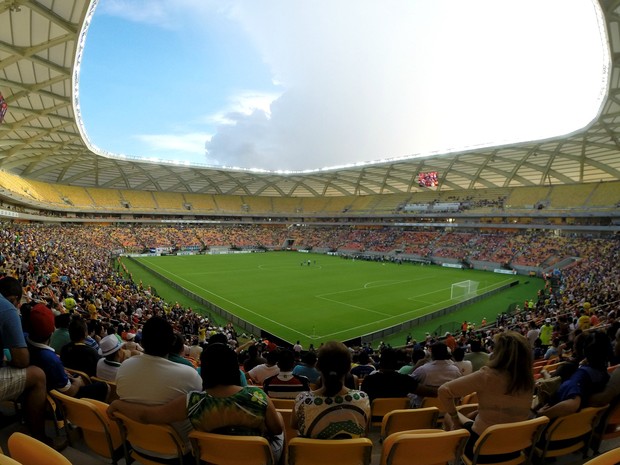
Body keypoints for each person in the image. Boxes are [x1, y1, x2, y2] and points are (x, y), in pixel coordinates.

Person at [108, 343, 284, 462]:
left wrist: (117, 405)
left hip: (211, 459)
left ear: (205, 369)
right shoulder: (257, 395)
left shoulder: (192, 401)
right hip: (254, 459)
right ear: (233, 368)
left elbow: (147, 416)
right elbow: (277, 429)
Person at [439, 331, 535, 462]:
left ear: (499, 353)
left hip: (482, 449)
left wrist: (456, 421)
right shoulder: (529, 379)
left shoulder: (487, 375)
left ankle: (452, 455)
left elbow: (443, 391)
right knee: (472, 415)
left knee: (449, 415)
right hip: (515, 447)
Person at [115, 316, 202, 459]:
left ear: (142, 342)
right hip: (179, 453)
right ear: (172, 343)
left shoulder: (124, 367)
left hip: (136, 445)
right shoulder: (189, 375)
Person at [0, 279, 55, 448]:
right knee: (37, 375)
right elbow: (22, 360)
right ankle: (39, 439)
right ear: (13, 298)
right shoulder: (8, 308)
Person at [292, 341, 370, 438]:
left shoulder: (302, 400)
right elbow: (365, 433)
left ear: (318, 366)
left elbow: (294, 425)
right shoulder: (363, 399)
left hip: (312, 453)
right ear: (349, 368)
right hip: (349, 453)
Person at [361, 347, 435, 402]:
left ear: (380, 363)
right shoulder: (405, 380)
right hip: (400, 420)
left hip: (373, 420)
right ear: (396, 363)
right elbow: (429, 392)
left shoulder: (368, 380)